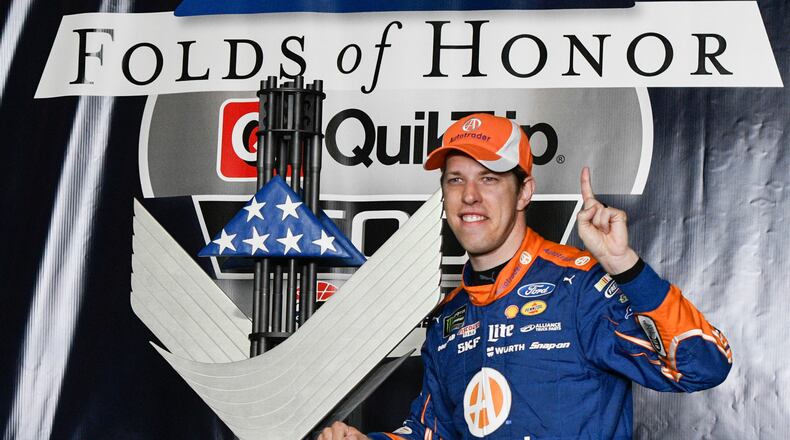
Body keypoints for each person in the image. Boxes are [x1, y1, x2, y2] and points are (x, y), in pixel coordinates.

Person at [318, 113, 732, 440]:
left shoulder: (579, 287)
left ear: (525, 191)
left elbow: (705, 366)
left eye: (489, 179)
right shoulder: (448, 319)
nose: (470, 196)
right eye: (455, 180)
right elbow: (433, 432)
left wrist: (626, 266)